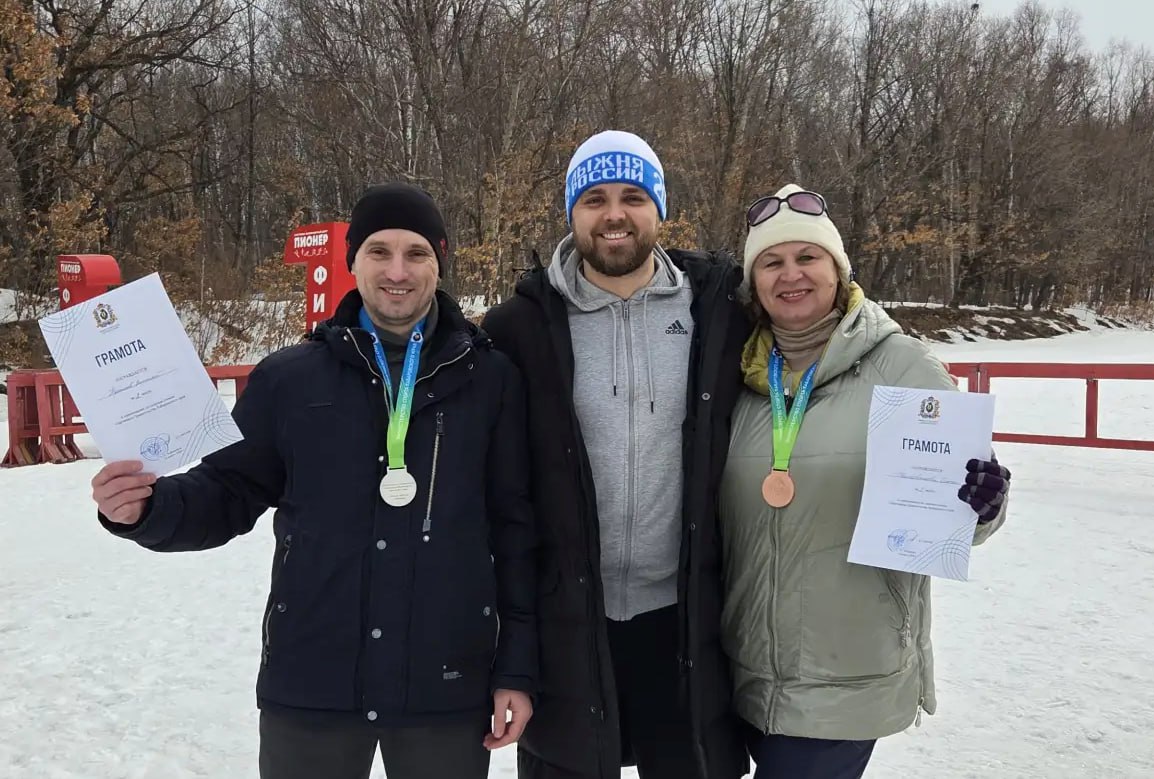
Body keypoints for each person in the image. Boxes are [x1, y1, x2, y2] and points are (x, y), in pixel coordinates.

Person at [90, 183, 537, 779]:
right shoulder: (289, 380)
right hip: (312, 680)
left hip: (446, 681)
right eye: (379, 252)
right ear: (352, 260)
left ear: (440, 259)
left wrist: (518, 670)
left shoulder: (491, 381)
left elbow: (518, 532)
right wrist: (146, 510)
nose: (397, 271)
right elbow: (227, 492)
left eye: (416, 253)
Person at [718, 184, 1012, 778]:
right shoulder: (735, 374)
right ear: (754, 283)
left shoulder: (901, 365)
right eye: (771, 263)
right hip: (738, 666)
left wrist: (982, 505)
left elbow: (958, 508)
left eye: (808, 258)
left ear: (838, 270)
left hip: (845, 670)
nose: (790, 275)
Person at [482, 130, 750, 779]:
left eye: (633, 196)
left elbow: (822, 345)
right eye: (594, 198)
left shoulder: (723, 314)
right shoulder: (516, 329)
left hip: (684, 625)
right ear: (571, 212)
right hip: (569, 625)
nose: (614, 214)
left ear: (659, 208)